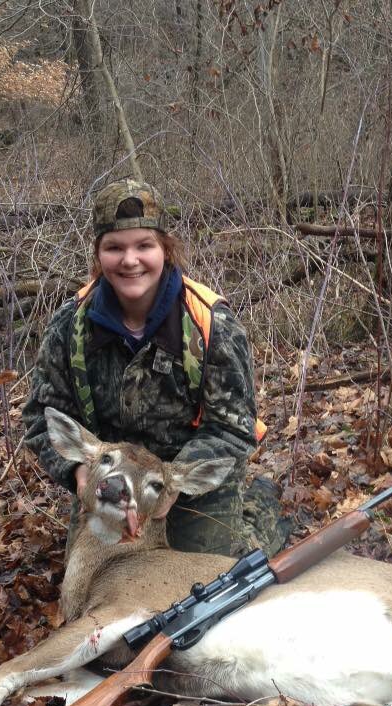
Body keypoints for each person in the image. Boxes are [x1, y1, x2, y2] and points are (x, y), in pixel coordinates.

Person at [22, 178, 287, 558]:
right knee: (90, 572)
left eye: (144, 245)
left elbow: (233, 428)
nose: (130, 261)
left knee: (212, 569)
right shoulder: (70, 325)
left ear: (165, 248)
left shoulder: (211, 322)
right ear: (98, 255)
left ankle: (261, 506)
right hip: (111, 477)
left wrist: (171, 485)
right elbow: (41, 415)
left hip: (185, 473)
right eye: (114, 247)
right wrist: (78, 475)